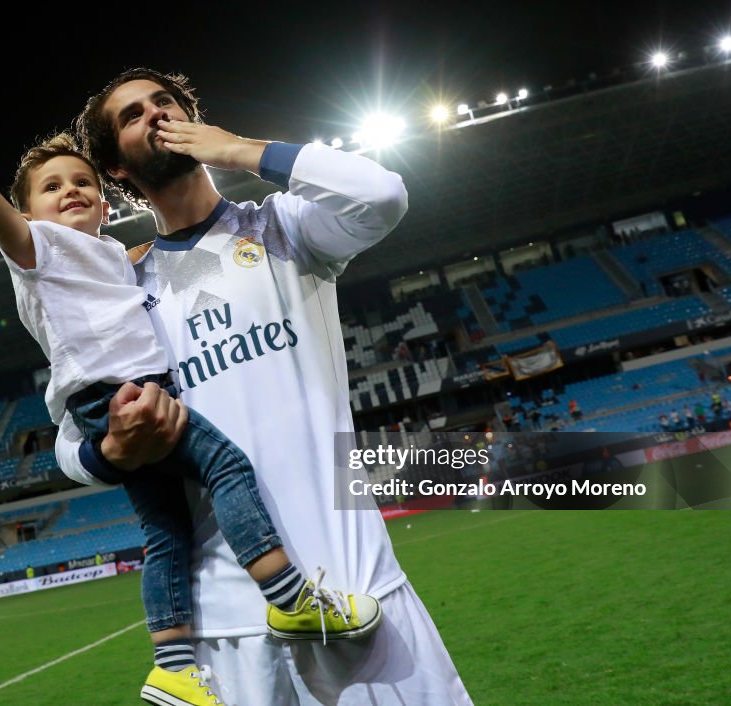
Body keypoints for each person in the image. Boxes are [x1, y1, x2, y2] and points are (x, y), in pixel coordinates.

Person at [0, 115, 380, 706]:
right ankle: (290, 600)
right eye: (50, 188)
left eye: (81, 181)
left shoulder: (110, 254)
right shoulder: (40, 251)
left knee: (165, 531)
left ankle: (173, 667)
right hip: (119, 396)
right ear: (27, 215)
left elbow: (126, 268)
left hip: (120, 394)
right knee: (226, 468)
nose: (70, 190)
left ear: (105, 204)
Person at [55, 68, 471, 705]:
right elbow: (66, 441)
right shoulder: (121, 291)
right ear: (115, 168)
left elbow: (382, 194)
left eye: (164, 102)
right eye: (132, 115)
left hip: (350, 587)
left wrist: (238, 149)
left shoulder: (286, 230)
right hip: (225, 627)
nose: (155, 114)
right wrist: (107, 452)